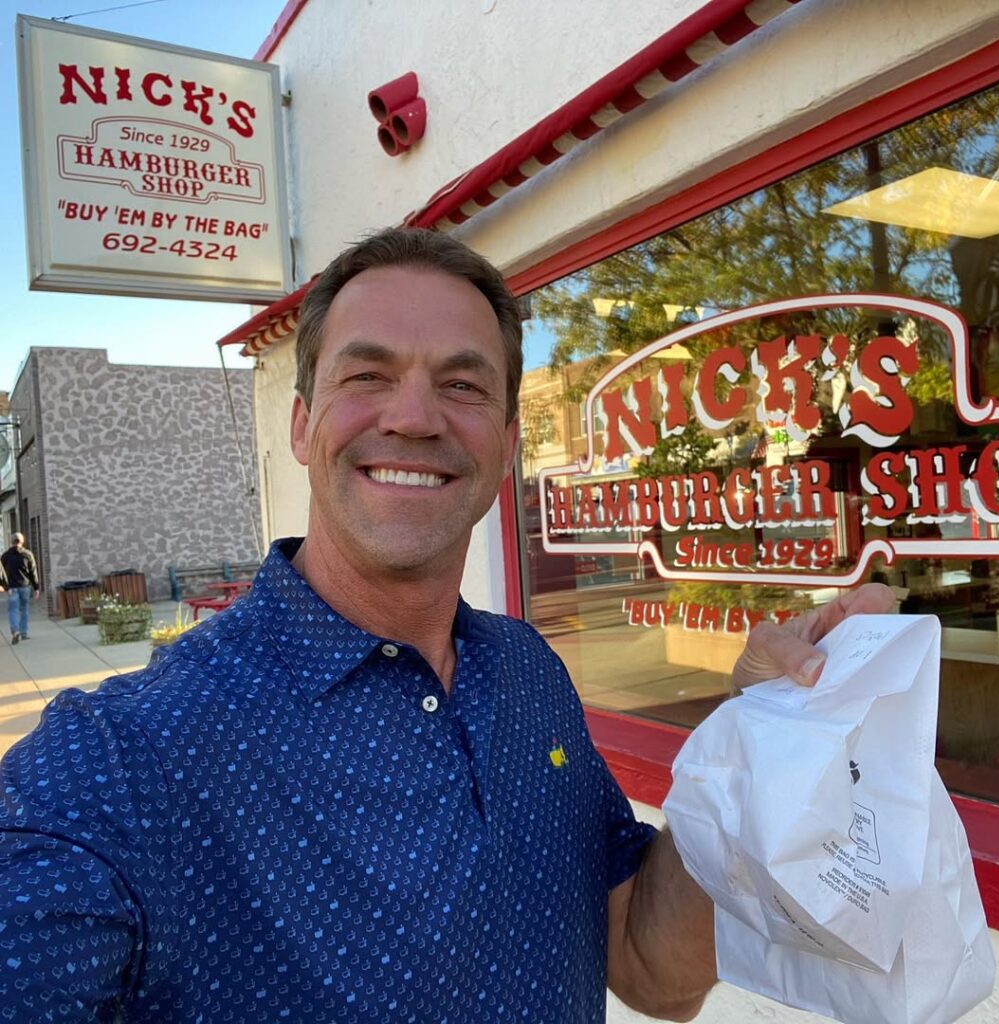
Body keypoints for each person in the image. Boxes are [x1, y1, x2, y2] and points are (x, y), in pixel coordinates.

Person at [0, 228, 892, 1022]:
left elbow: (652, 971)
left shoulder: (526, 670)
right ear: (303, 426)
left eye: (462, 385)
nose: (414, 417)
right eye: (367, 375)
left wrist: (762, 729)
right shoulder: (120, 760)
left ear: (507, 445)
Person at [0, 531, 40, 645]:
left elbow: (0, 572)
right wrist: (36, 587)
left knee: (13, 610)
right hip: (25, 586)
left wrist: (4, 586)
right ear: (22, 541)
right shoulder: (28, 554)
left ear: (11, 541)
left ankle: (15, 630)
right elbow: (33, 572)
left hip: (11, 588)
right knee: (24, 609)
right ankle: (23, 632)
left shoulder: (5, 556)